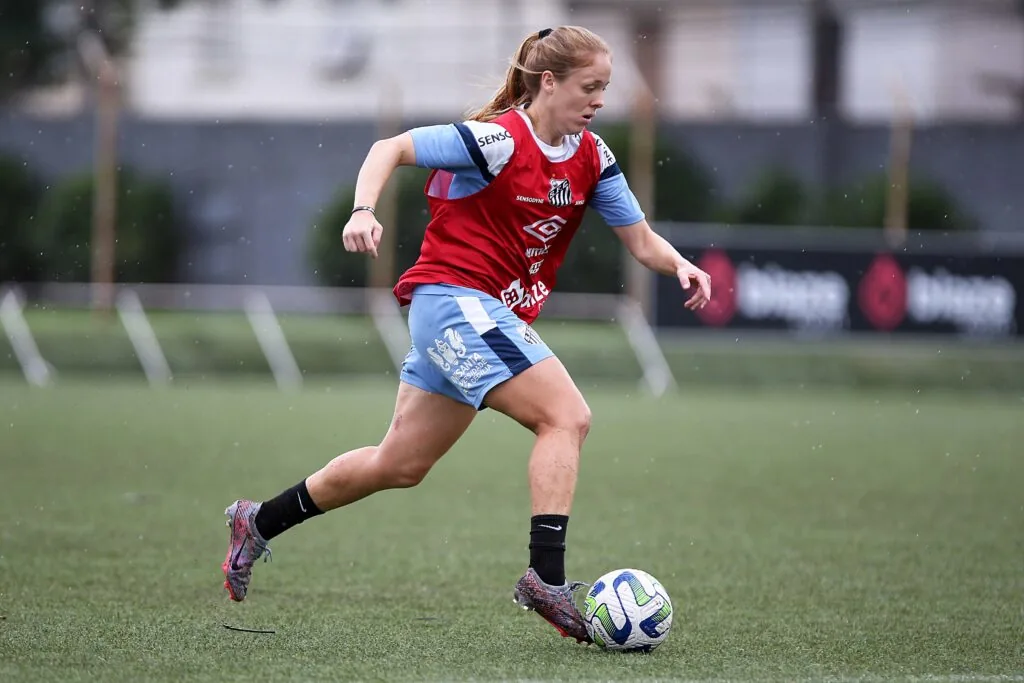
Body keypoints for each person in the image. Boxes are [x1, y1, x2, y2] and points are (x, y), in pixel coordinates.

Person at [221, 25, 711, 644]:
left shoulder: (593, 156)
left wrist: (681, 264)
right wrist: (363, 210)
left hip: (478, 315)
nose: (599, 100)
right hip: (454, 303)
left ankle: (258, 520)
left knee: (399, 464)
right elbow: (389, 147)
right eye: (590, 86)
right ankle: (546, 578)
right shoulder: (498, 140)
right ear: (549, 81)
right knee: (566, 416)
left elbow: (640, 240)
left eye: (605, 88)